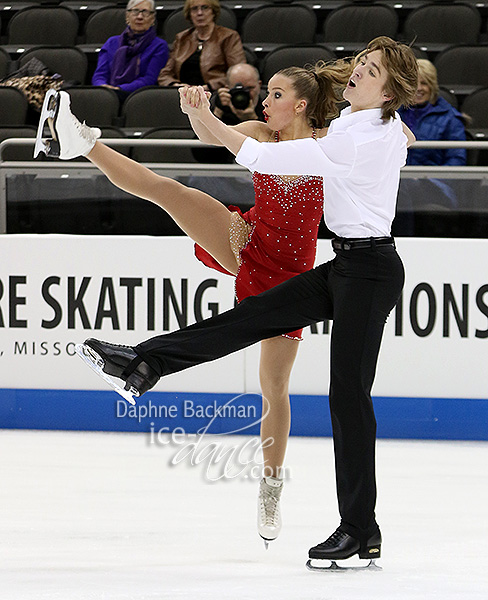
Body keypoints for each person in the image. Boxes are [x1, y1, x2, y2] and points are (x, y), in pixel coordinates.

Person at [68, 35, 418, 568]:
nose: (357, 72)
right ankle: (146, 361)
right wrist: (204, 117)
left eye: (370, 71)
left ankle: (360, 529)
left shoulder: (353, 139)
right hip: (347, 266)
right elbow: (386, 129)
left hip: (369, 272)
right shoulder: (359, 125)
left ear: (388, 91)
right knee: (252, 316)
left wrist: (204, 116)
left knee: (348, 396)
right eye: (360, 64)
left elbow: (256, 152)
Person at [35, 59, 353, 547]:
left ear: (301, 105)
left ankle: (270, 487)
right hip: (247, 239)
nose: (264, 102)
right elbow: (213, 135)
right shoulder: (260, 136)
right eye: (266, 94)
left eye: (274, 94)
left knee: (274, 387)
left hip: (291, 277)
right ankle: (83, 142)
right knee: (169, 192)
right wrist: (196, 109)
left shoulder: (329, 144)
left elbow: (391, 144)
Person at [157, 0, 245, 92]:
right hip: (183, 95)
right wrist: (176, 85)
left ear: (213, 12)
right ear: (189, 14)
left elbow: (238, 73)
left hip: (214, 93)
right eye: (194, 9)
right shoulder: (182, 38)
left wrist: (208, 87)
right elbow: (165, 75)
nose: (199, 13)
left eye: (205, 8)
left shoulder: (229, 37)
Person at [91, 0, 169, 102]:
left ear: (152, 18)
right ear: (127, 16)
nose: (140, 17)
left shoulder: (159, 46)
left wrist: (120, 89)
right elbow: (99, 74)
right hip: (107, 97)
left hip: (140, 98)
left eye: (145, 12)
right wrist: (103, 87)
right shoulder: (111, 43)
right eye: (135, 11)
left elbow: (150, 79)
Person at [398, 59, 466, 166]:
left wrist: (429, 181)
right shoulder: (394, 114)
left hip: (430, 181)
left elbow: (456, 160)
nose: (419, 88)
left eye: (424, 83)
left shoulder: (450, 119)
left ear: (432, 86)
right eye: (414, 84)